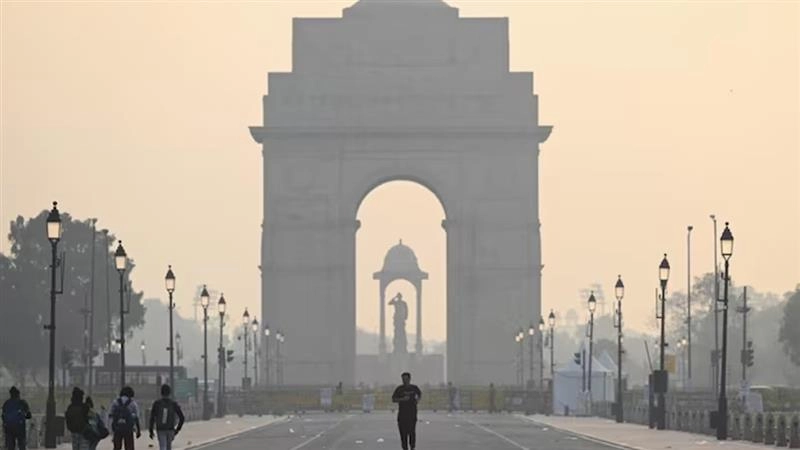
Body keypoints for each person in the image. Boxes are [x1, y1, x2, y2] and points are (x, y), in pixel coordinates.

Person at [148, 385, 185, 450]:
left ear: (161, 392)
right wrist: (177, 430)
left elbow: (152, 417)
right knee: (168, 447)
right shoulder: (173, 404)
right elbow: (182, 418)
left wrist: (151, 430)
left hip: (160, 429)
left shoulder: (157, 403)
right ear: (169, 393)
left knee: (162, 446)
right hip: (170, 429)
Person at [391, 372, 422, 450]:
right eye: (403, 379)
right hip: (402, 415)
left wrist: (417, 399)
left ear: (409, 379)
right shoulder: (399, 389)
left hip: (412, 414)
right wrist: (402, 399)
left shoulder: (414, 388)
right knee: (403, 433)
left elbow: (419, 395)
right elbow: (393, 399)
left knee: (411, 432)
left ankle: (412, 447)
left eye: (406, 379)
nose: (405, 381)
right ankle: (404, 447)